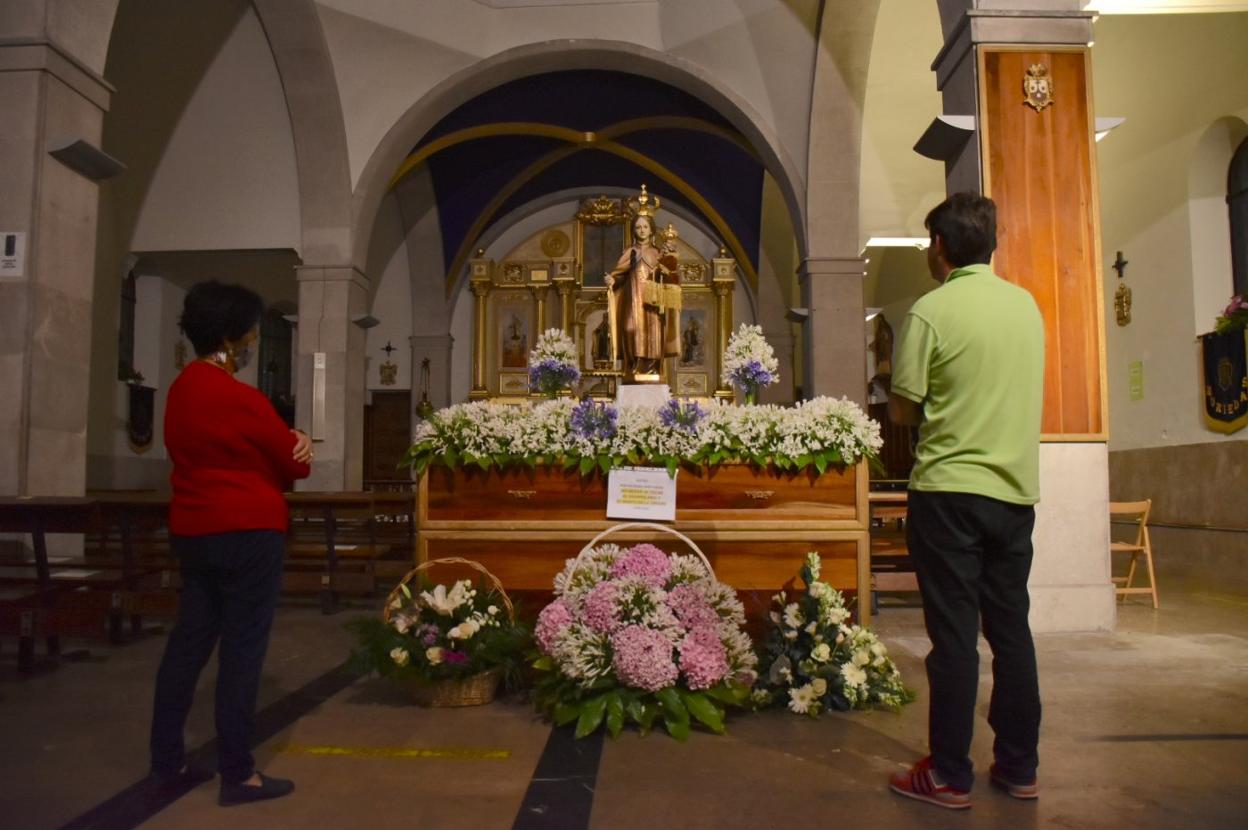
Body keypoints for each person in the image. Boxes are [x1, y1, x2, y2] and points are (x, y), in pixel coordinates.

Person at [886, 192, 1045, 810]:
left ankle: (950, 774)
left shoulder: (931, 311)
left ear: (942, 247)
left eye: (931, 241)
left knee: (953, 637)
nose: (931, 251)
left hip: (949, 492)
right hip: (1013, 493)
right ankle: (1019, 766)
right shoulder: (1026, 307)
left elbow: (902, 405)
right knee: (1011, 632)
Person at [150, 281, 313, 807]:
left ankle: (167, 762)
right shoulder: (240, 396)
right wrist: (300, 443)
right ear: (231, 336)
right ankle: (239, 774)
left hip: (194, 530)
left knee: (188, 644)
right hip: (248, 531)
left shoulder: (180, 389)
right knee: (243, 651)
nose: (250, 341)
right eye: (249, 333)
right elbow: (292, 463)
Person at [604, 212, 678, 379]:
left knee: (653, 331)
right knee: (629, 328)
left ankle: (651, 368)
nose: (642, 230)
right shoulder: (629, 252)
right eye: (638, 227)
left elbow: (669, 274)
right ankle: (632, 366)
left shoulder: (657, 253)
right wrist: (612, 280)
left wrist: (668, 259)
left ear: (651, 230)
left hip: (651, 301)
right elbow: (620, 274)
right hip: (632, 299)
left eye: (645, 226)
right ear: (634, 230)